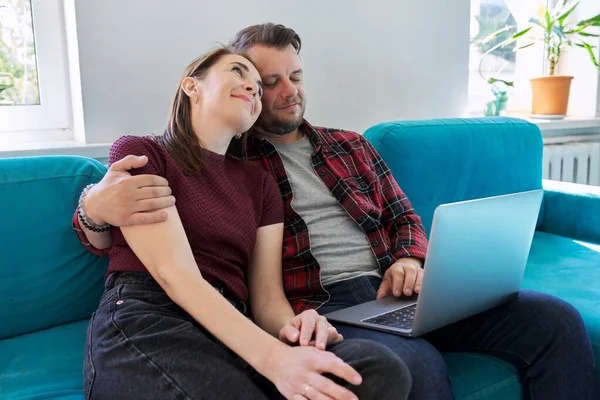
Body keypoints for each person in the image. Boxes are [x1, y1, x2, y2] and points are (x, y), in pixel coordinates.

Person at [75, 24, 599, 399]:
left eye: (291, 77)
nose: (277, 92)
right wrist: (92, 208)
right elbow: (168, 265)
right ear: (193, 84)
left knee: (554, 319)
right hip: (325, 303)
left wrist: (411, 260)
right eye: (261, 79)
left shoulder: (344, 146)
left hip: (401, 290)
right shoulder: (214, 157)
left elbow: (404, 218)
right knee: (410, 367)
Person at [74, 46, 412, 400]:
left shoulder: (260, 183)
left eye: (256, 84)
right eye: (237, 71)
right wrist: (275, 359)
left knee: (375, 368)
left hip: (234, 326)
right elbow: (174, 274)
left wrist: (296, 327)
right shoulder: (144, 152)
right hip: (150, 317)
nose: (252, 87)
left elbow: (266, 299)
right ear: (192, 86)